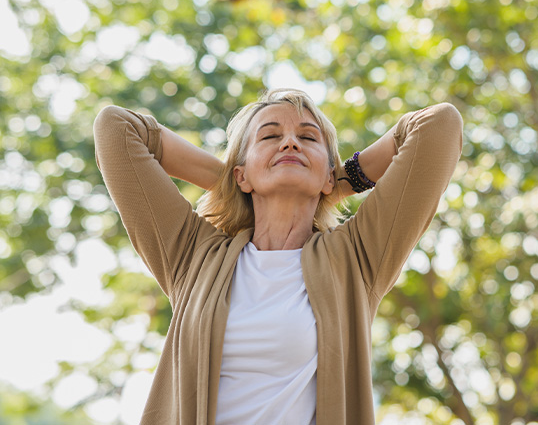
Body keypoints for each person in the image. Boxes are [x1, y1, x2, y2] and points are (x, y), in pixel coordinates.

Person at [92, 88, 463, 425]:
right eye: (270, 136)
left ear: (328, 176)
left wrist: (336, 182)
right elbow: (116, 128)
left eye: (307, 138)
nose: (289, 143)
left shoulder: (356, 256)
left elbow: (438, 126)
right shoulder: (193, 255)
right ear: (241, 175)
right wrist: (233, 183)